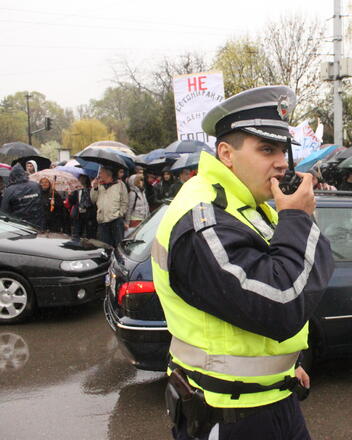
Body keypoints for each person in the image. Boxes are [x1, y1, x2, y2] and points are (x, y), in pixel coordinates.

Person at [152, 86, 334, 440]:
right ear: (226, 154)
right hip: (229, 413)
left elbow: (275, 283)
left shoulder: (249, 205)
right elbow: (282, 302)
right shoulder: (204, 216)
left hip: (273, 397)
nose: (281, 161)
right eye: (266, 149)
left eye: (283, 149)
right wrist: (297, 218)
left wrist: (285, 367)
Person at [91, 166, 128, 247]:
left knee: (118, 246)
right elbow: (93, 199)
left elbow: (124, 201)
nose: (99, 174)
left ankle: (119, 259)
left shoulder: (120, 184)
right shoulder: (99, 185)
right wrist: (95, 188)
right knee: (104, 246)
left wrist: (120, 214)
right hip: (102, 220)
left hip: (116, 220)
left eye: (101, 172)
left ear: (108, 174)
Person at [0, 164, 45, 229]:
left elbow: (4, 210)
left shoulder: (10, 190)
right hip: (37, 223)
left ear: (12, 176)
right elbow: (42, 202)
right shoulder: (35, 185)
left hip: (19, 225)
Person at [67, 175, 96, 240]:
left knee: (87, 232)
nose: (81, 180)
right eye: (80, 179)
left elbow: (92, 201)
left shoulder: (90, 189)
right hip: (78, 213)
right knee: (76, 231)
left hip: (88, 213)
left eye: (83, 179)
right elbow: (72, 202)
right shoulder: (76, 189)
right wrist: (70, 195)